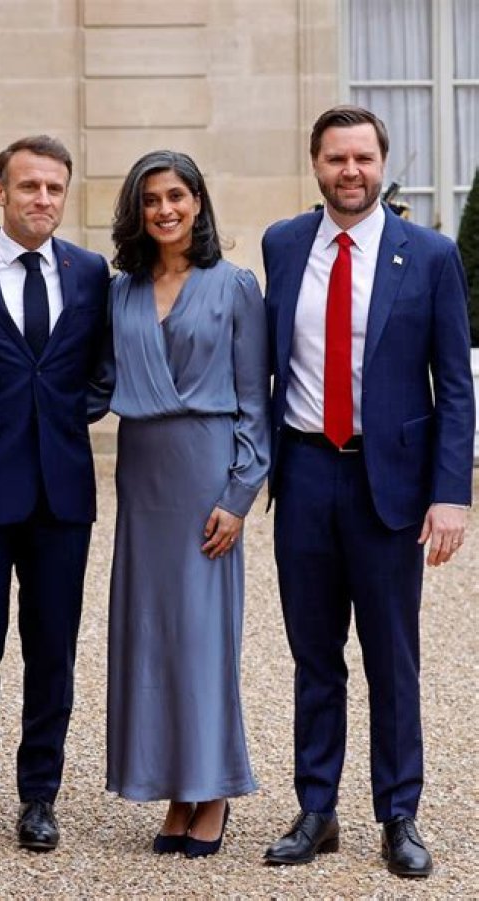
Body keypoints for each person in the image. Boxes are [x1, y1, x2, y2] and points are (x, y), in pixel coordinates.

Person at [262, 106, 474, 877]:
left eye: (361, 158)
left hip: (390, 484)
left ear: (382, 163)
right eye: (335, 158)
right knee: (314, 653)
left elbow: (455, 385)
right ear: (315, 164)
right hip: (304, 471)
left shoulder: (431, 255)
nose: (349, 171)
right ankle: (316, 808)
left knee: (392, 656)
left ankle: (399, 813)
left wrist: (451, 493)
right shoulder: (284, 244)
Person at [0, 136, 110, 854]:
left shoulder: (90, 272)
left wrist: (66, 417)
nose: (43, 198)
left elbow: (103, 368)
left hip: (62, 497)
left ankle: (40, 795)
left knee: (52, 653)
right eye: (29, 186)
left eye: (54, 188)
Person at [102, 150, 270, 857]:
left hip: (206, 478)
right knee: (151, 633)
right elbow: (91, 382)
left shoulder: (235, 286)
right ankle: (174, 788)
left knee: (203, 636)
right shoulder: (121, 291)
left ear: (197, 202)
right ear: (136, 212)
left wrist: (239, 494)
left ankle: (214, 788)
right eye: (151, 200)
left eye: (176, 196)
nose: (164, 209)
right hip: (143, 476)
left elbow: (255, 403)